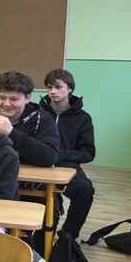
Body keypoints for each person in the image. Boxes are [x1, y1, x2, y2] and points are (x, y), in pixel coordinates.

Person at [40, 68, 96, 242]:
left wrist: (59, 155)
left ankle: (68, 237)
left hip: (66, 167)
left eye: (58, 87)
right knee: (48, 205)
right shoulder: (38, 113)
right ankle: (40, 236)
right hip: (38, 165)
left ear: (69, 88)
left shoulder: (83, 118)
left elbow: (87, 153)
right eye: (49, 87)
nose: (52, 92)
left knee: (85, 190)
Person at [0, 70, 60, 167]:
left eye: (13, 99)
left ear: (27, 98)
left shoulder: (42, 119)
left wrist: (12, 133)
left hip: (28, 176)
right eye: (2, 97)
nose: (6, 104)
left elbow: (50, 158)